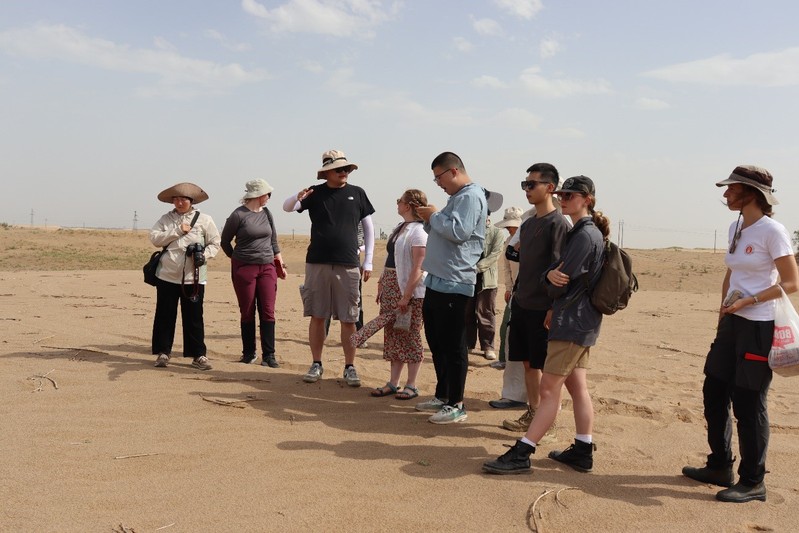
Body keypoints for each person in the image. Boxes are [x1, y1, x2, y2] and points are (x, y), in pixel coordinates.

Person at [682, 165, 798, 503]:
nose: (726, 194)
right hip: (731, 323)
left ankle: (753, 482)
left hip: (759, 325)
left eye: (732, 189)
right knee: (714, 390)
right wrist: (723, 310)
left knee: (749, 401)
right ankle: (720, 466)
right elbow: (731, 274)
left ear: (752, 193)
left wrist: (750, 300)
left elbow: (792, 282)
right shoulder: (736, 227)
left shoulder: (772, 231)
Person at [483, 175, 606, 475]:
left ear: (587, 199)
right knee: (577, 386)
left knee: (549, 390)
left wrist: (548, 278)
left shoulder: (584, 235)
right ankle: (583, 449)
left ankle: (523, 451)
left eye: (570, 195)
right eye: (562, 195)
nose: (564, 199)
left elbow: (560, 279)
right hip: (580, 322)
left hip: (570, 321)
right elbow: (553, 272)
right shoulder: (583, 232)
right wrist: (548, 275)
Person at [282, 150, 375, 387]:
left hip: (348, 263)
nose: (344, 173)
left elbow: (369, 228)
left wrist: (369, 260)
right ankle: (316, 363)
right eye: (339, 169)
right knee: (317, 315)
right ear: (327, 172)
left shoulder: (358, 193)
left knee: (349, 318)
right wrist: (297, 196)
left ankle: (350, 366)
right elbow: (288, 207)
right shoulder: (315, 192)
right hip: (317, 262)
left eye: (347, 169)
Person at [414, 152, 492, 424]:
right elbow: (444, 230)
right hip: (437, 278)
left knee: (453, 345)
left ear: (454, 171)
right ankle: (443, 394)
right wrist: (431, 218)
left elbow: (459, 232)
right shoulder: (457, 198)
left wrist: (434, 215)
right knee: (437, 341)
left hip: (455, 280)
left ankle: (457, 404)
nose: (438, 183)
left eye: (439, 177)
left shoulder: (470, 196)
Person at [501, 164, 570, 434]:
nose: (527, 190)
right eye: (525, 184)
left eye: (532, 184)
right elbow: (519, 260)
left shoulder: (558, 224)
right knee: (528, 364)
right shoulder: (528, 225)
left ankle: (547, 423)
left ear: (550, 188)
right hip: (522, 303)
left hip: (543, 308)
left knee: (545, 368)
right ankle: (533, 413)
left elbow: (561, 270)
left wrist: (554, 307)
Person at [359, 189, 429, 400]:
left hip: (408, 289)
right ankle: (393, 382)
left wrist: (406, 296)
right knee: (392, 334)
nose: (397, 204)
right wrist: (382, 280)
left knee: (410, 333)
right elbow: (393, 258)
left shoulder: (419, 231)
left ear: (408, 206)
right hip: (391, 285)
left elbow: (419, 266)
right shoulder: (400, 227)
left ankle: (411, 384)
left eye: (400, 201)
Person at [150, 182, 221, 370]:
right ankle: (163, 352)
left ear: (191, 201)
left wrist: (203, 255)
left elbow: (215, 243)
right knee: (164, 316)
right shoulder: (166, 219)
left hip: (194, 277)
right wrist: (178, 230)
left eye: (183, 199)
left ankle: (198, 355)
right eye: (176, 199)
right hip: (167, 275)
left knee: (194, 317)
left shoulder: (205, 219)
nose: (179, 203)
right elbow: (155, 238)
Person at [220, 179, 286, 368]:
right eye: (267, 194)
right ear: (257, 195)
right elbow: (225, 241)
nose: (269, 197)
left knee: (268, 310)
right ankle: (249, 353)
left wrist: (280, 263)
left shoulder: (267, 213)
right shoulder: (238, 215)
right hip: (244, 268)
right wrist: (237, 259)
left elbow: (273, 241)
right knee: (247, 310)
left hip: (267, 266)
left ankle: (269, 355)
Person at [488, 207, 528, 410]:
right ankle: (516, 394)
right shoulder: (509, 242)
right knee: (509, 334)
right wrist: (509, 288)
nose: (510, 229)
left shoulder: (530, 236)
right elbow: (507, 267)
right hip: (517, 294)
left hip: (531, 297)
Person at [465, 209, 505, 360]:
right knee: (467, 312)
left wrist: (477, 267)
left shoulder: (497, 232)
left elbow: (495, 255)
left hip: (487, 280)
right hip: (468, 279)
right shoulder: (469, 232)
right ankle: (468, 344)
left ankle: (488, 346)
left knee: (486, 313)